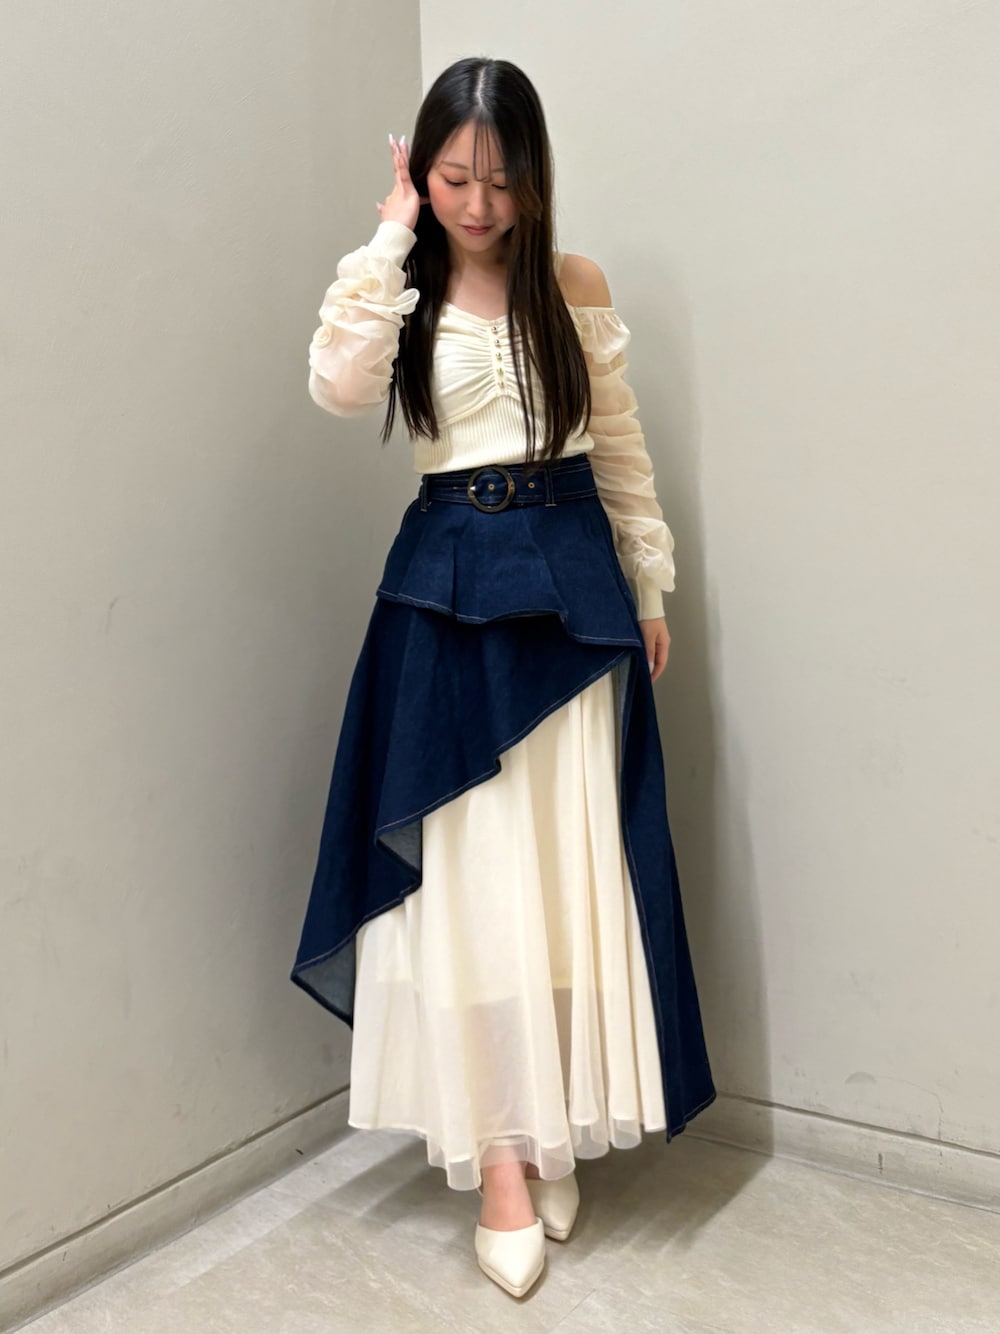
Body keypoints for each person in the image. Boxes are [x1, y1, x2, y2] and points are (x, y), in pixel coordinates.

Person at [291, 56, 715, 1300]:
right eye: (452, 178)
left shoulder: (572, 284)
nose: (478, 204)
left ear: (534, 178)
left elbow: (617, 441)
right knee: (476, 886)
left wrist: (648, 586)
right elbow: (336, 388)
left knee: (566, 874)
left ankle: (547, 1127)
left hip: (572, 593)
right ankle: (501, 1166)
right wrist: (389, 235)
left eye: (500, 179)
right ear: (422, 174)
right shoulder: (402, 286)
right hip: (447, 598)